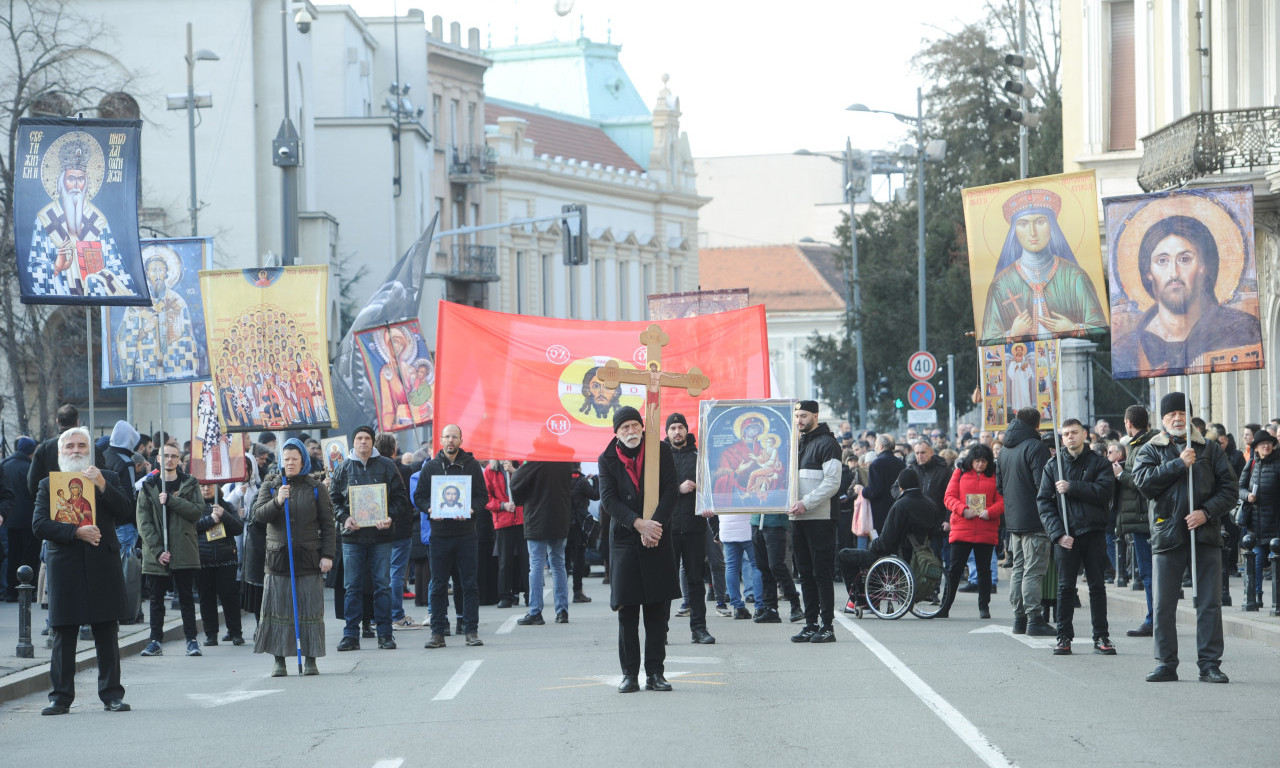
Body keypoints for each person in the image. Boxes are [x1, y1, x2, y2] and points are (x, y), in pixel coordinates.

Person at [1133, 392, 1236, 683]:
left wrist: (1206, 512)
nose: (1177, 418)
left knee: (1209, 604)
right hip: (1167, 534)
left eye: (1182, 413)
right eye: (1171, 414)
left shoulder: (1210, 449)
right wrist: (1178, 464)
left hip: (1205, 534)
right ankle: (1166, 663)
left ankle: (1209, 664)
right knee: (1164, 604)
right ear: (1162, 420)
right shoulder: (1151, 449)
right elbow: (1144, 484)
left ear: (1188, 416)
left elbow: (1229, 489)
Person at [32, 427, 134, 714]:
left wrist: (102, 484)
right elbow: (39, 524)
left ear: (90, 451)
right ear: (60, 452)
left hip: (103, 564)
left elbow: (126, 509)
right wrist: (76, 532)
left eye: (81, 446)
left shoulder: (109, 477)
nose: (76, 450)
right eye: (70, 447)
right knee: (64, 632)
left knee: (106, 631)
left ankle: (112, 694)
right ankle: (60, 697)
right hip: (65, 566)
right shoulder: (48, 486)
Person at [1112, 216, 1264, 376]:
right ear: (1149, 272)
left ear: (1203, 267)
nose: (1174, 273)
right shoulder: (1128, 349)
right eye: (1162, 261)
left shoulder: (1239, 329)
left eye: (1185, 259)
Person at [599, 406, 681, 693]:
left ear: (642, 427)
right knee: (627, 612)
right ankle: (630, 674)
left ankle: (656, 673)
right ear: (617, 432)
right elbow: (608, 500)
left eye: (635, 426)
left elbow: (670, 489)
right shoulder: (607, 459)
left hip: (657, 536)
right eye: (625, 428)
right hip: (625, 540)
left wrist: (654, 525)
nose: (631, 432)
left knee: (658, 611)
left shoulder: (660, 450)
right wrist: (637, 524)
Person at [252, 439, 335, 676]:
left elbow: (328, 525)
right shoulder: (270, 486)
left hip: (309, 559)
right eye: (286, 459)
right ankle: (279, 660)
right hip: (278, 560)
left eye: (295, 459)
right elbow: (259, 516)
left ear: (303, 461)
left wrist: (327, 555)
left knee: (310, 610)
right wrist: (278, 501)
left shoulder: (316, 488)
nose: (290, 463)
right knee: (279, 610)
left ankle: (311, 659)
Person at [979, 188, 1106, 342]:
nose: (1033, 232)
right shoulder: (1001, 284)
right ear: (1014, 231)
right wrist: (1012, 334)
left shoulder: (1075, 276)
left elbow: (1101, 327)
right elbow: (986, 340)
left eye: (1040, 222)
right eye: (1023, 224)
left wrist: (1073, 329)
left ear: (1052, 226)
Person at [1037, 419, 1116, 656]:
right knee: (1065, 588)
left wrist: (1073, 487)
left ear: (1084, 435)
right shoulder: (1053, 466)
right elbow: (1044, 503)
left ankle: (1101, 636)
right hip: (1066, 536)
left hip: (1093, 532)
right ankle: (1063, 636)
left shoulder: (1099, 463)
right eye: (1065, 434)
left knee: (1096, 586)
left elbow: (1104, 492)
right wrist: (1058, 534)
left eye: (1074, 433)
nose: (1070, 437)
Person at [329, 425, 410, 651]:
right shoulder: (343, 468)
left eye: (367, 438)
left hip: (381, 536)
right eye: (359, 438)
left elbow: (400, 498)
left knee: (382, 586)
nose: (363, 442)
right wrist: (344, 517)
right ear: (353, 442)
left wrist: (390, 516)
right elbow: (333, 500)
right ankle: (350, 635)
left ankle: (385, 633)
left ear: (373, 442)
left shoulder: (387, 465)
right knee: (352, 587)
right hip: (352, 538)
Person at [27, 134, 137, 298]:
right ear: (61, 182)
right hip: (60, 297)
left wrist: (98, 276)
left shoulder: (98, 221)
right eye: (71, 178)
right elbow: (34, 269)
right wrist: (56, 267)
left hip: (95, 298)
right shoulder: (45, 218)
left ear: (87, 184)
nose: (76, 186)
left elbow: (116, 266)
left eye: (81, 179)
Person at [416, 424, 487, 649]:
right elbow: (419, 496)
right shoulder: (431, 467)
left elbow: (482, 496)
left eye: (454, 437)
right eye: (446, 437)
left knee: (468, 584)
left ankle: (470, 631)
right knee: (437, 585)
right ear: (440, 439)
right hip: (439, 536)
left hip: (466, 534)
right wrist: (429, 509)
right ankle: (437, 633)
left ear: (461, 440)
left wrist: (472, 509)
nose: (450, 441)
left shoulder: (472, 465)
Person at [137, 442, 204, 657]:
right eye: (165, 456)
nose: (169, 460)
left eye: (174, 456)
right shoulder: (148, 486)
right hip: (157, 555)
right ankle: (155, 640)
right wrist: (158, 551)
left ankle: (192, 640)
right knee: (156, 600)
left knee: (186, 598)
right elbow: (144, 522)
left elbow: (197, 511)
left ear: (179, 459)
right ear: (158, 458)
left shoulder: (190, 483)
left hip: (184, 550)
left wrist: (172, 501)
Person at [837, 468, 940, 604]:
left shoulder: (900, 505)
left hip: (898, 557)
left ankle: (861, 600)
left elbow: (885, 542)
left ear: (901, 487)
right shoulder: (931, 504)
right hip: (920, 553)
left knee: (845, 555)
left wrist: (873, 544)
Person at [788, 401, 843, 644]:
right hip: (797, 518)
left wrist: (806, 503)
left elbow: (832, 483)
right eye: (797, 415)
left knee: (821, 574)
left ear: (816, 416)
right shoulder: (796, 444)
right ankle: (810, 624)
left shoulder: (828, 444)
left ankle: (827, 626)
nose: (799, 420)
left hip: (820, 518)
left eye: (804, 415)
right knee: (805, 574)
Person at [998, 407, 1054, 636]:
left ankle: (1019, 618)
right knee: (1033, 571)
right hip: (1035, 518)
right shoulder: (1035, 447)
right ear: (1037, 425)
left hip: (1013, 519)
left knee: (1019, 569)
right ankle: (1034, 618)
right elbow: (1043, 484)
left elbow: (1000, 487)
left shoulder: (1003, 450)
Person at [114, 246, 199, 383]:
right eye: (153, 270)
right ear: (147, 274)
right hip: (146, 366)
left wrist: (173, 332)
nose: (157, 274)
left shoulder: (177, 302)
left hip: (172, 366)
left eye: (160, 269)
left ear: (167, 272)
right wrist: (144, 330)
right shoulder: (137, 303)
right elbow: (124, 338)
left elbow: (187, 338)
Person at [664, 412, 715, 644]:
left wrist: (709, 507)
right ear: (667, 432)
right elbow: (652, 489)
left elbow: (711, 484)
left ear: (686, 430)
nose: (677, 432)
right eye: (673, 428)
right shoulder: (660, 456)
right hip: (668, 527)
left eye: (680, 427)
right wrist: (678, 488)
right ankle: (660, 630)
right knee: (664, 582)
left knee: (695, 580)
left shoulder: (699, 454)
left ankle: (699, 628)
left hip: (694, 527)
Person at [938, 443, 1004, 619]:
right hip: (962, 528)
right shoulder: (959, 473)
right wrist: (962, 509)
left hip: (985, 529)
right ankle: (945, 606)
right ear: (971, 461)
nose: (980, 465)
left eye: (984, 461)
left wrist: (990, 512)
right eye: (977, 461)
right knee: (954, 570)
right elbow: (949, 498)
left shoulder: (995, 476)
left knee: (984, 571)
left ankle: (984, 607)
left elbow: (1002, 500)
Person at [511, 460, 575, 626]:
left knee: (536, 566)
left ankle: (535, 611)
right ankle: (562, 611)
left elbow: (516, 482)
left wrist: (520, 497)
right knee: (558, 564)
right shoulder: (565, 460)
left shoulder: (534, 459)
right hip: (560, 517)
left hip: (536, 518)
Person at [1117, 405, 1159, 637]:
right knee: (1150, 572)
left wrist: (1121, 475)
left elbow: (1144, 480)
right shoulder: (1143, 443)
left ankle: (1154, 620)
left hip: (1145, 518)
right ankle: (1156, 618)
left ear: (1127, 423)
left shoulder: (1143, 446)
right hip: (1143, 517)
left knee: (1149, 573)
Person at [195, 482, 244, 646]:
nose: (206, 489)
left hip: (226, 558)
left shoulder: (227, 505)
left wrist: (224, 515)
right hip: (203, 559)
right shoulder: (195, 507)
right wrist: (210, 520)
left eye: (209, 486)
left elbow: (238, 528)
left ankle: (235, 632)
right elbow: (190, 528)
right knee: (206, 598)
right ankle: (211, 634)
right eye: (202, 487)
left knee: (229, 596)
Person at [1237, 430, 1278, 611]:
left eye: (1269, 443)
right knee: (1257, 560)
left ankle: (1277, 599)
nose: (1266, 446)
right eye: (1262, 445)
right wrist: (1247, 497)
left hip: (1276, 521)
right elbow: (1240, 487)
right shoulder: (1252, 463)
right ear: (1256, 448)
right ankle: (1256, 596)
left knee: (1276, 560)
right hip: (1256, 523)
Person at [485, 460, 527, 609]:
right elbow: (486, 498)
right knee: (504, 561)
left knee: (526, 560)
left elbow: (530, 485)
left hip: (523, 519)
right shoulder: (490, 470)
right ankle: (505, 596)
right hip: (503, 520)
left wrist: (514, 471)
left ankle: (530, 594)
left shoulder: (522, 465)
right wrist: (502, 505)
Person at [2, 437, 39, 601]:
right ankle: (26, 591)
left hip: (10, 519)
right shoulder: (30, 467)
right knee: (28, 555)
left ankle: (10, 590)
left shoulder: (5, 464)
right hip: (28, 518)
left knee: (12, 555)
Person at [854, 434, 906, 542]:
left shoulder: (876, 464)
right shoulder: (901, 464)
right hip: (898, 510)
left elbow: (875, 491)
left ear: (881, 446)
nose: (875, 447)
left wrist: (862, 491)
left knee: (881, 546)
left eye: (876, 445)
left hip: (880, 513)